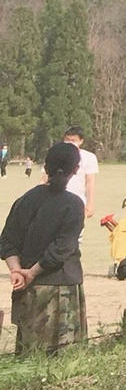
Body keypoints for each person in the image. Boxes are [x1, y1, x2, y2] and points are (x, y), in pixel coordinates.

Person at [1, 142, 87, 355]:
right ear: (75, 169)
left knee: (29, 356)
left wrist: (17, 271)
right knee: (63, 359)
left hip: (27, 289)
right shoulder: (73, 204)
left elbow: (7, 241)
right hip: (61, 287)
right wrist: (31, 273)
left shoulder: (26, 199)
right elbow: (62, 248)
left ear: (46, 167)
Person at [62, 127, 99, 220]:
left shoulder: (89, 157)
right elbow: (44, 179)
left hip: (78, 201)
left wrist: (90, 204)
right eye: (67, 140)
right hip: (56, 200)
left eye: (73, 140)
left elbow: (90, 182)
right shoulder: (56, 154)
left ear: (81, 141)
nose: (70, 143)